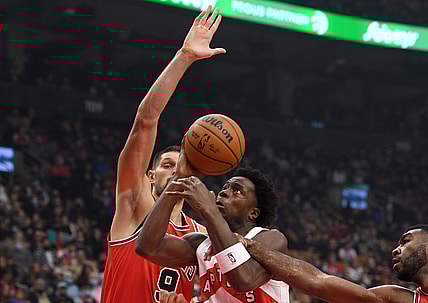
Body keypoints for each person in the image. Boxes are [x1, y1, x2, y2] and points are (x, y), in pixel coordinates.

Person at [101, 5, 226, 303]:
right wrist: (184, 57)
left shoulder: (200, 233)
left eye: (180, 165)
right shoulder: (134, 206)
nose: (174, 169)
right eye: (167, 164)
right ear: (149, 176)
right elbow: (145, 121)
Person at [137, 163, 290, 302]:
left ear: (253, 213)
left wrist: (209, 210)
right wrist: (178, 178)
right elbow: (147, 247)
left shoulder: (270, 239)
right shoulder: (200, 244)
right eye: (225, 188)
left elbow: (245, 280)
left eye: (237, 190)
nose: (223, 193)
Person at [233, 224, 428, 303]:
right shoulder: (396, 298)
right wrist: (252, 246)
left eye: (406, 241)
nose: (395, 250)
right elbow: (318, 281)